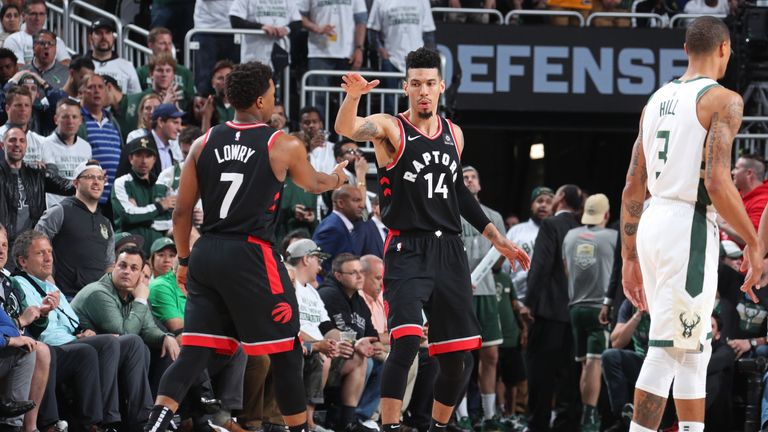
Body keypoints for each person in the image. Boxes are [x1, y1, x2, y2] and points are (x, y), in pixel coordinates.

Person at [142, 61, 350, 432]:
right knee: (287, 351)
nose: (274, 98)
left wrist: (186, 261)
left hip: (207, 251)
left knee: (193, 353)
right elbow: (316, 184)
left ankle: (154, 425)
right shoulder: (281, 142)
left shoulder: (203, 143)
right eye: (272, 92)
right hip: (252, 254)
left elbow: (182, 214)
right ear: (259, 99)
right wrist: (339, 175)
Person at [334, 47, 530, 432]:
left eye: (430, 84)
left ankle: (439, 427)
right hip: (408, 247)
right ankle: (390, 426)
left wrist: (497, 239)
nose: (423, 90)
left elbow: (459, 193)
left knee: (459, 357)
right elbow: (348, 128)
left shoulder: (454, 134)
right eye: (416, 84)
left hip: (450, 250)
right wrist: (354, 96)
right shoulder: (391, 127)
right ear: (406, 87)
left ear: (440, 87)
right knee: (406, 342)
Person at [620, 16, 762, 432]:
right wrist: (753, 242)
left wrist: (629, 257)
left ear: (686, 50)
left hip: (652, 220)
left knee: (692, 346)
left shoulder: (655, 100)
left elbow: (632, 186)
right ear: (724, 49)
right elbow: (718, 181)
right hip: (688, 224)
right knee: (667, 349)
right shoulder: (724, 100)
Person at [13, 229, 153, 432]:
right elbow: (38, 328)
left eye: (50, 252)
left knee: (133, 343)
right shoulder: (19, 284)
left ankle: (142, 421)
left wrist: (85, 331)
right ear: (23, 261)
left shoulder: (51, 286)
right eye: (40, 253)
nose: (48, 258)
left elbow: (74, 323)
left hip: (72, 341)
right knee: (109, 342)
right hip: (51, 347)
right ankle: (105, 421)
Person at [525, 184, 583, 432]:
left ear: (560, 198)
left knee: (541, 372)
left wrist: (529, 302)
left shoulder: (551, 225)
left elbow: (541, 267)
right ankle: (567, 424)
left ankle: (538, 423)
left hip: (550, 311)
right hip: (578, 312)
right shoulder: (583, 228)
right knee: (570, 374)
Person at [457, 166, 506, 431]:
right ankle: (461, 414)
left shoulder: (494, 216)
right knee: (461, 356)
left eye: (473, 176)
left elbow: (499, 259)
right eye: (464, 177)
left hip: (486, 290)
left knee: (491, 355)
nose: (469, 180)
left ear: (480, 184)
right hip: (460, 292)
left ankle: (488, 415)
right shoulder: (449, 211)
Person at [562, 193, 617, 431]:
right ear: (606, 215)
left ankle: (586, 415)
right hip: (599, 308)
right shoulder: (613, 237)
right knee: (595, 363)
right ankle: (589, 418)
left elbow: (566, 270)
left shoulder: (570, 236)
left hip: (576, 307)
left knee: (585, 363)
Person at [35, 160, 114, 300]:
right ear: (76, 183)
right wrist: (48, 279)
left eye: (100, 178)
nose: (96, 182)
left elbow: (109, 264)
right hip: (66, 296)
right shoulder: (60, 211)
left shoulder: (106, 223)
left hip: (97, 299)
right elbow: (35, 244)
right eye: (90, 177)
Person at [0, 126, 73, 249]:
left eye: (22, 141)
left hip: (31, 244)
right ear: (2, 145)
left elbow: (66, 186)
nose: (17, 144)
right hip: (5, 243)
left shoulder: (36, 173)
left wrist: (87, 177)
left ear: (26, 146)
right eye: (12, 140)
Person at [110, 138, 175, 258]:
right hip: (128, 252)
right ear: (130, 158)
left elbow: (170, 222)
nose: (144, 161)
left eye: (148, 156)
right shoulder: (122, 183)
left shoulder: (161, 186)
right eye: (139, 155)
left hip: (157, 253)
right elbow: (128, 215)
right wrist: (159, 207)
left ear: (154, 159)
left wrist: (139, 214)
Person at [506, 186, 554, 304]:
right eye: (539, 201)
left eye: (548, 202)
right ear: (532, 205)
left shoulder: (556, 232)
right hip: (517, 297)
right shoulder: (516, 231)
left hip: (547, 301)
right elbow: (505, 267)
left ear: (554, 208)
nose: (543, 205)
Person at [41, 99, 92, 207]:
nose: (70, 121)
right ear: (56, 119)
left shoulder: (86, 147)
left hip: (79, 209)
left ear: (81, 120)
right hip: (54, 211)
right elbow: (51, 179)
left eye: (74, 117)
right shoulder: (44, 144)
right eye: (65, 117)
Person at [3, 0, 69, 66]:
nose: (38, 18)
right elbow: (18, 68)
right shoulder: (14, 40)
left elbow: (67, 63)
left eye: (41, 14)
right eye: (33, 14)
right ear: (23, 16)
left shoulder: (56, 40)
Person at [721, 154, 768, 244]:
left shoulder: (763, 202)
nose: (732, 172)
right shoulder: (737, 196)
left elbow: (753, 239)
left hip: (744, 257)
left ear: (749, 173)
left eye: (737, 168)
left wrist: (722, 224)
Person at [86, 19, 141, 95]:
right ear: (90, 38)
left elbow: (136, 98)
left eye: (108, 32)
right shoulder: (81, 65)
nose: (104, 37)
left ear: (113, 38)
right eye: (98, 33)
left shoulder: (127, 66)